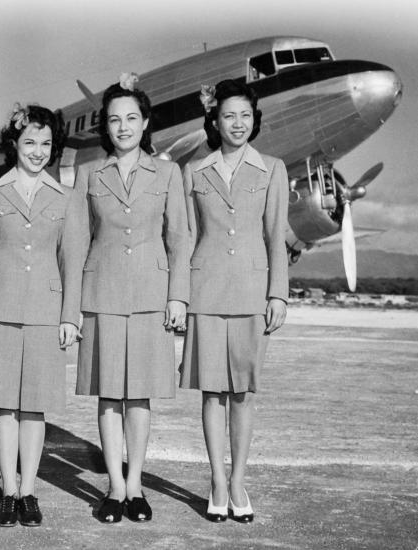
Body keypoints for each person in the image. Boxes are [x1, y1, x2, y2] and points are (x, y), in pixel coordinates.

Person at [74, 73, 190, 523]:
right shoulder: (88, 174)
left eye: (131, 118)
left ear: (145, 124)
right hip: (101, 294)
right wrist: (72, 309)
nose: (123, 127)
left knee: (139, 397)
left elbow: (180, 237)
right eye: (114, 119)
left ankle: (137, 484)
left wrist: (177, 296)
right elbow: (77, 239)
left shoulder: (167, 172)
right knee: (108, 396)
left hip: (150, 294)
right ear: (106, 127)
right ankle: (115, 486)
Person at [0, 104, 84, 527]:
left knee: (34, 407)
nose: (37, 151)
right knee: (4, 406)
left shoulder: (66, 198)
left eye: (46, 144)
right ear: (14, 144)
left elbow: (72, 260)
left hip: (46, 312)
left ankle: (30, 491)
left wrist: (71, 316)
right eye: (30, 142)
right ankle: (8, 490)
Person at [179, 79, 288, 523]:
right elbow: (186, 237)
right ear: (215, 120)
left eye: (245, 115)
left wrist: (278, 292)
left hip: (251, 293)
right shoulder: (194, 171)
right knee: (212, 393)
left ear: (254, 119)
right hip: (204, 293)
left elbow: (275, 236)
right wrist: (179, 299)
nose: (237, 123)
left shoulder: (272, 169)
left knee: (242, 393)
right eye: (229, 116)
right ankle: (217, 482)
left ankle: (239, 480)